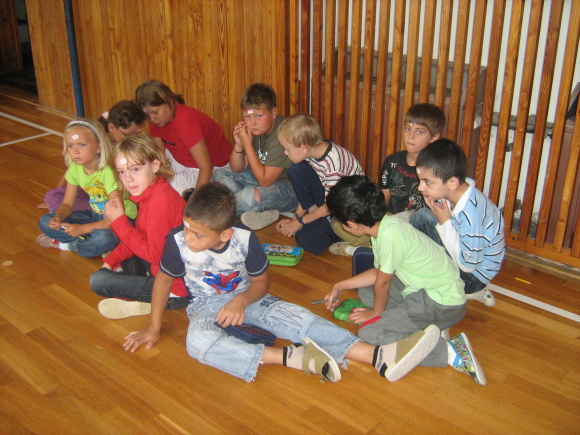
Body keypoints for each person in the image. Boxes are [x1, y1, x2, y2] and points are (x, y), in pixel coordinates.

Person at [123, 182, 442, 383]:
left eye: (196, 234)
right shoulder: (176, 241)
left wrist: (241, 300)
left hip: (252, 298)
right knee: (197, 342)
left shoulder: (245, 240)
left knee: (300, 318)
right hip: (206, 307)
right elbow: (163, 281)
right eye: (186, 227)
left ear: (225, 234)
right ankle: (292, 357)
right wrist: (154, 326)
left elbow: (261, 284)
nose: (187, 237)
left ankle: (378, 357)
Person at [325, 175, 487, 385]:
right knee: (366, 291)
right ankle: (422, 325)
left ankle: (449, 351)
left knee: (369, 331)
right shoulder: (385, 226)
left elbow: (383, 283)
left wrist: (375, 314)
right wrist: (340, 285)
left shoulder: (390, 236)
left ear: (351, 224)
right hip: (430, 290)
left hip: (443, 304)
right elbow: (379, 273)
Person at [90, 133, 190, 319]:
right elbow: (140, 235)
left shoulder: (160, 202)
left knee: (97, 281)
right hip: (158, 268)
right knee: (123, 241)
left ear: (154, 166)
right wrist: (110, 261)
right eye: (121, 172)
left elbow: (155, 255)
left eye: (135, 169)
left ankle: (145, 301)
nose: (128, 179)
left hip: (173, 289)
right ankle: (137, 289)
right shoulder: (150, 191)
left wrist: (119, 222)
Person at [329, 103, 445, 257]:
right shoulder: (392, 161)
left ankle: (365, 249)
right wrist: (370, 222)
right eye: (408, 129)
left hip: (415, 229)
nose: (411, 136)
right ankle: (377, 248)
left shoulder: (435, 170)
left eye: (419, 131)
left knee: (420, 219)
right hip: (390, 221)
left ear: (434, 137)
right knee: (338, 222)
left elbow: (433, 217)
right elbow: (382, 202)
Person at [409, 138, 505, 307]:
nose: (420, 188)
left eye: (427, 182)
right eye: (421, 180)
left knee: (421, 219)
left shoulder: (470, 216)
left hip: (472, 278)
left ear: (452, 182)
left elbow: (468, 266)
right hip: (471, 261)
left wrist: (445, 222)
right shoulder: (460, 190)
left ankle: (463, 290)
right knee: (422, 218)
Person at [37, 119, 137, 257]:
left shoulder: (108, 171)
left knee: (104, 238)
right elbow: (67, 204)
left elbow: (117, 217)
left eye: (82, 145)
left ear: (98, 147)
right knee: (45, 221)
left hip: (122, 219)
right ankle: (90, 242)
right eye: (70, 145)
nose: (75, 151)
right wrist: (58, 217)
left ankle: (70, 245)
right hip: (95, 214)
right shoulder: (75, 169)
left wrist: (83, 228)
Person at [274, 113, 364, 255]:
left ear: (304, 148)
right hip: (331, 200)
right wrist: (296, 218)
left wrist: (300, 222)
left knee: (306, 241)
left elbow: (331, 206)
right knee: (296, 170)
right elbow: (306, 190)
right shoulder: (312, 151)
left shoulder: (334, 166)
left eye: (287, 149)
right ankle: (317, 220)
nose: (285, 153)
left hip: (345, 210)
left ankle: (346, 237)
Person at [212, 83, 297, 230]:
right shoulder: (257, 129)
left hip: (288, 189)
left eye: (258, 116)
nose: (252, 123)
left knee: (243, 200)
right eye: (247, 116)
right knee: (219, 175)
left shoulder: (282, 133)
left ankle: (245, 202)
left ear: (273, 112)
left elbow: (265, 181)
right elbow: (237, 168)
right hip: (260, 180)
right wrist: (239, 145)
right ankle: (261, 209)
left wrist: (248, 145)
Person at [38, 100, 146, 213]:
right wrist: (59, 191)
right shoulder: (92, 143)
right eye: (128, 134)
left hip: (116, 194)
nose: (133, 138)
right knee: (53, 196)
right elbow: (72, 171)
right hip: (93, 192)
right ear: (112, 127)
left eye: (137, 133)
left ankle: (96, 212)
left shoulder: (128, 148)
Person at [135, 79, 231, 197]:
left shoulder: (185, 122)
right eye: (147, 115)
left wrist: (195, 201)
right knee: (151, 176)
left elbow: (206, 167)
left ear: (169, 101)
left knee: (165, 189)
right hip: (183, 158)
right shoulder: (156, 122)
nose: (152, 119)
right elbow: (159, 155)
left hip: (215, 167)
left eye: (155, 112)